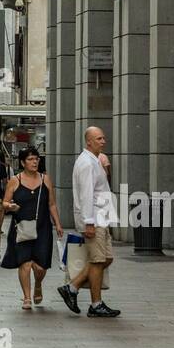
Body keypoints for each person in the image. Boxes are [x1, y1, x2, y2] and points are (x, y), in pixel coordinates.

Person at [60, 126, 120, 319]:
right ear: (89, 141)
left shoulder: (94, 161)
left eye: (103, 138)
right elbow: (86, 195)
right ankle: (96, 304)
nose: (103, 141)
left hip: (101, 217)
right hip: (94, 218)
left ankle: (72, 287)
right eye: (99, 139)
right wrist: (89, 222)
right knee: (97, 260)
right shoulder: (86, 163)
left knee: (106, 258)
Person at [1, 146, 63, 307]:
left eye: (36, 159)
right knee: (25, 263)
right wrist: (10, 206)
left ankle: (38, 285)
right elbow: (5, 202)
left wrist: (58, 224)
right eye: (30, 159)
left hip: (42, 228)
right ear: (22, 162)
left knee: (41, 267)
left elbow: (52, 204)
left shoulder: (45, 179)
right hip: (21, 227)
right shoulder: (15, 180)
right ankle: (27, 297)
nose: (34, 162)